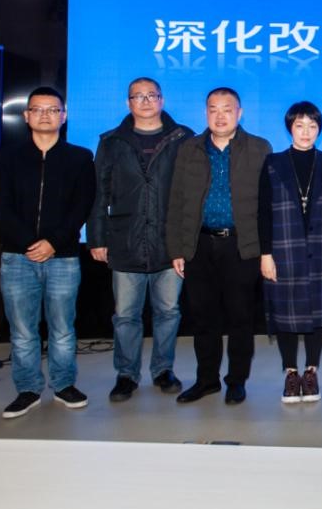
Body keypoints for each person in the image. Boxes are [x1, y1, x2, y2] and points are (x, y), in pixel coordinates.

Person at [0, 86, 95, 419]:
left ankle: (64, 385)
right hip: (17, 257)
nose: (45, 115)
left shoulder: (80, 158)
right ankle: (28, 389)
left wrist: (53, 242)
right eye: (38, 109)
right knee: (23, 331)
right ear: (26, 116)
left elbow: (82, 206)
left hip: (63, 256)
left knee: (62, 328)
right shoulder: (8, 157)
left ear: (64, 116)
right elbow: (1, 206)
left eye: (53, 110)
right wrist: (28, 243)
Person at [89, 77, 192, 403]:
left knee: (168, 312)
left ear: (162, 100)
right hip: (125, 241)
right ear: (128, 103)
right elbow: (98, 193)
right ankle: (126, 374)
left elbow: (192, 194)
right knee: (125, 316)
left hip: (169, 243)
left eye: (151, 95)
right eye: (138, 96)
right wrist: (96, 237)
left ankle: (163, 369)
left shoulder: (183, 138)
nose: (145, 101)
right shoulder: (112, 141)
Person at [167, 87, 271, 405]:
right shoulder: (189, 148)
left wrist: (267, 250)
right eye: (213, 109)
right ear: (206, 113)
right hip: (199, 245)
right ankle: (207, 380)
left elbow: (268, 204)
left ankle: (236, 381)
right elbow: (176, 200)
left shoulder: (259, 148)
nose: (220, 115)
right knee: (203, 317)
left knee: (240, 317)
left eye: (227, 109)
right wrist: (177, 249)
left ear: (239, 113)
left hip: (242, 245)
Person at [258, 102, 322, 404]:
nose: (306, 132)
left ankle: (311, 371)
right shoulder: (273, 163)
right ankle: (291, 373)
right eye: (299, 125)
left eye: (312, 126)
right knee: (285, 314)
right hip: (284, 248)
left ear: (320, 129)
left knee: (318, 313)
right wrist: (265, 254)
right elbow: (263, 212)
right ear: (289, 128)